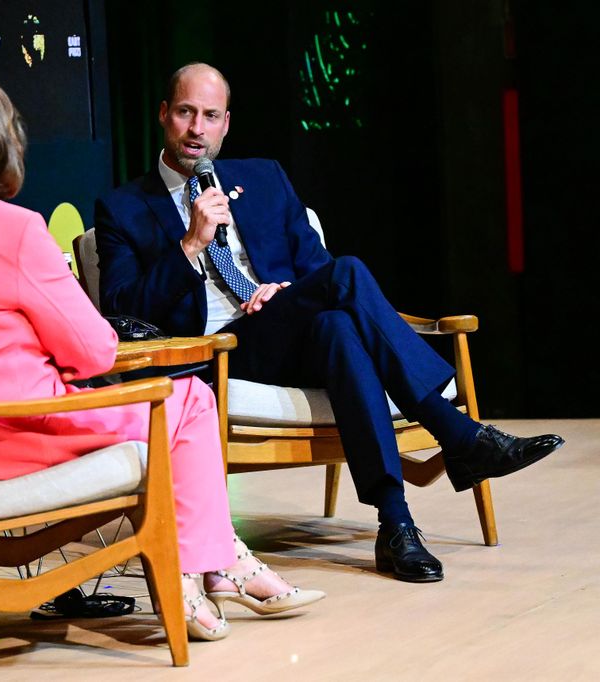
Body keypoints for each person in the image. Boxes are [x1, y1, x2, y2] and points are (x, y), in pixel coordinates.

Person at [0, 67, 324, 641]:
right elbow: (95, 351)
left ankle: (217, 561)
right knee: (186, 400)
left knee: (178, 399)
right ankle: (203, 568)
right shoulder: (16, 230)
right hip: (24, 430)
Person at [93, 62, 565, 583]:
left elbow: (318, 270)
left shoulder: (264, 178)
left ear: (226, 123)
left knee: (339, 324)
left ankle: (397, 525)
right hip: (216, 351)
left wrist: (289, 293)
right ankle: (457, 434)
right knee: (350, 277)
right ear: (164, 115)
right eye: (185, 112)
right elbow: (121, 311)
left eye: (209, 115)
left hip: (284, 330)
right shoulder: (124, 207)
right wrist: (189, 245)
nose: (196, 129)